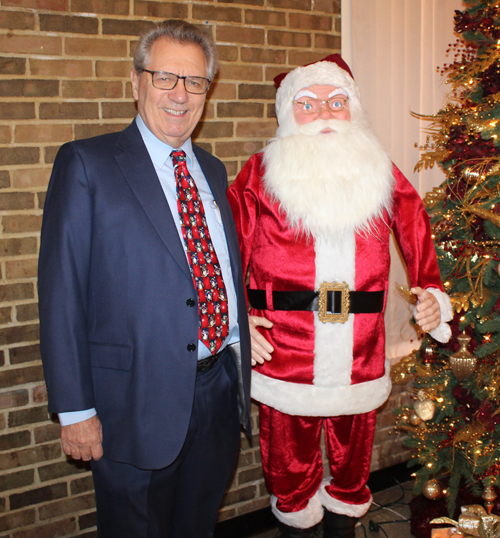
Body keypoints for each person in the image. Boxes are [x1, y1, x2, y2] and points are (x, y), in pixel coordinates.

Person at [38, 19, 251, 538]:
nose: (180, 94)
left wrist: (241, 343)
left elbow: (220, 273)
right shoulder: (87, 164)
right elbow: (61, 293)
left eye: (195, 81)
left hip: (217, 393)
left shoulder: (214, 170)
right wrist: (75, 410)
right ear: (135, 82)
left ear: (208, 90)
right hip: (130, 406)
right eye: (165, 77)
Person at [227, 55, 453, 538]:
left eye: (337, 101)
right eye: (308, 104)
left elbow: (414, 226)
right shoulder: (261, 172)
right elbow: (228, 247)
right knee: (290, 472)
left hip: (360, 351)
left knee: (352, 473)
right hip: (286, 351)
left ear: (353, 107)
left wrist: (431, 290)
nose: (325, 113)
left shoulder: (377, 169)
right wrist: (236, 318)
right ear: (289, 112)